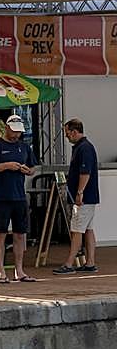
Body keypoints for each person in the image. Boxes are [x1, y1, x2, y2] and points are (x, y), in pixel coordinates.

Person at [0, 114, 38, 284]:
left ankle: (19, 270)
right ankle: (1, 271)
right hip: (2, 197)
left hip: (19, 196)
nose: (16, 136)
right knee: (1, 234)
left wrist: (28, 170)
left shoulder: (24, 147)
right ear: (6, 128)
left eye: (19, 133)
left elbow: (34, 166)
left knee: (20, 234)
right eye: (14, 132)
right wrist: (6, 166)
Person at [54, 118, 100, 275]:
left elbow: (85, 172)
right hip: (89, 197)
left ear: (74, 131)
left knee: (77, 229)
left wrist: (79, 193)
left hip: (84, 197)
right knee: (88, 229)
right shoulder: (82, 147)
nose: (67, 137)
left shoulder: (84, 148)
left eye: (67, 133)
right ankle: (90, 262)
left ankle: (69, 263)